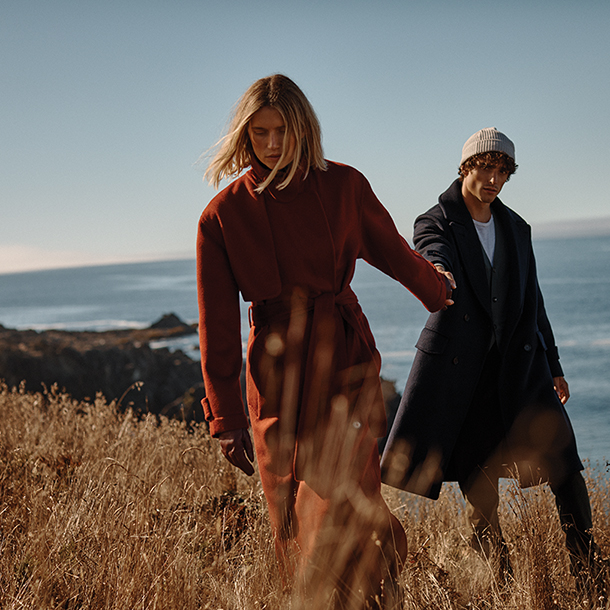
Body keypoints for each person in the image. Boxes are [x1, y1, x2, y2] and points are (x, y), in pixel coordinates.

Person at [196, 74, 453, 608]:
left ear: (304, 130)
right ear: (244, 135)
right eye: (260, 133)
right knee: (291, 513)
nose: (271, 145)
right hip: (275, 379)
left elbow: (393, 250)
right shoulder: (221, 216)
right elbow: (215, 326)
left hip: (345, 362)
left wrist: (436, 288)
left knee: (354, 497)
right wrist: (225, 418)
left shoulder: (343, 186)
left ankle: (379, 593)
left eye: (283, 132)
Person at [380, 127, 601, 587]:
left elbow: (532, 300)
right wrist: (437, 271)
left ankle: (589, 572)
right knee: (479, 488)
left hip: (523, 368)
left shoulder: (517, 228)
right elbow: (430, 251)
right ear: (466, 166)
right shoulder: (436, 219)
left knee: (567, 468)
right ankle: (498, 584)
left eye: (503, 171)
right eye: (486, 167)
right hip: (467, 374)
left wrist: (554, 363)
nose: (494, 178)